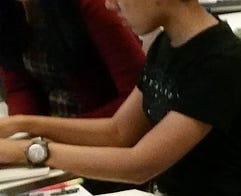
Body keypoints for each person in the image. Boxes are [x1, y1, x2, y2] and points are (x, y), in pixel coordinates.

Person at [0, 0, 241, 196]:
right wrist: (22, 125)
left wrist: (30, 151)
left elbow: (139, 165)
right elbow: (117, 131)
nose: (110, 5)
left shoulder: (219, 62)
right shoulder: (168, 43)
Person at [0, 0, 144, 119]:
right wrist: (24, 131)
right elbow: (19, 86)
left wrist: (46, 130)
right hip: (51, 131)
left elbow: (139, 96)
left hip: (105, 127)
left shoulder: (94, 6)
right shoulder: (9, 12)